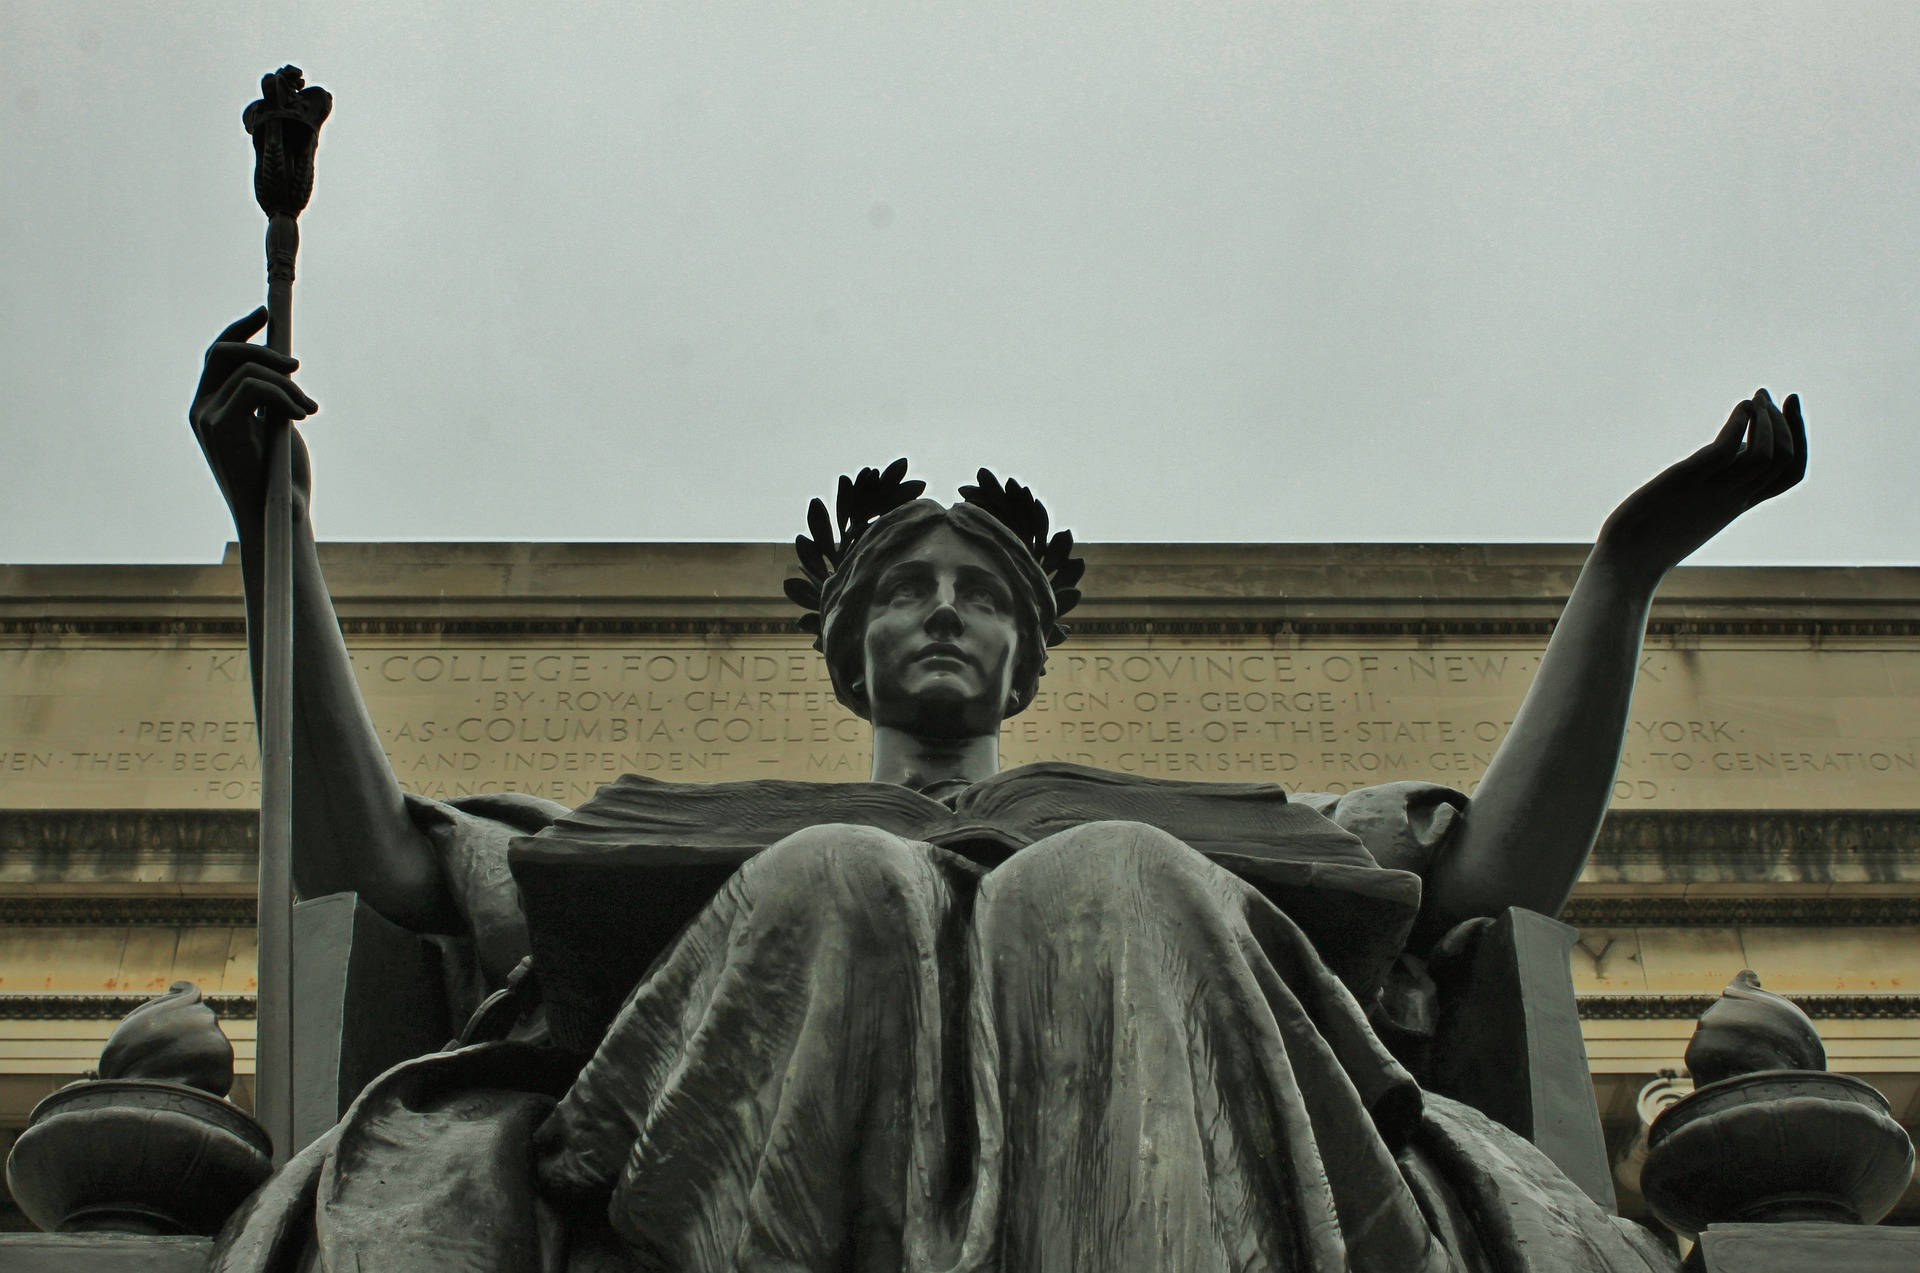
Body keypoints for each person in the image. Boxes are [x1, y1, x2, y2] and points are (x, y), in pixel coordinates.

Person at [194, 308, 1805, 1272]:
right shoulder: (682, 832)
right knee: (847, 878)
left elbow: (1486, 887)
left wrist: (1622, 568)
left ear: (1030, 657)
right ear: (848, 647)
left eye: (983, 590)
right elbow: (383, 866)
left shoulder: (1216, 836)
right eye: (907, 586)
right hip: (760, 1151)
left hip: (1154, 1151)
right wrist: (277, 533)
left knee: (1106, 883)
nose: (947, 606)